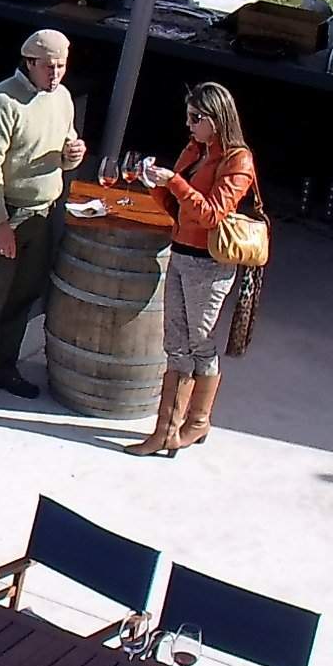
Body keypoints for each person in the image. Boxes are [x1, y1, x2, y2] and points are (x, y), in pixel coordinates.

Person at [0, 29, 86, 422]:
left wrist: (72, 155)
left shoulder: (62, 99)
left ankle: (4, 367)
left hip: (43, 213)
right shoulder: (0, 103)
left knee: (23, 296)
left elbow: (63, 150)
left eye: (62, 66)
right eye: (49, 66)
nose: (56, 73)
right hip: (8, 215)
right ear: (29, 62)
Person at [129, 84, 259, 456]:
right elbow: (178, 208)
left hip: (210, 262)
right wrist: (157, 184)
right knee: (175, 341)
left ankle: (193, 423)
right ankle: (169, 429)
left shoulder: (237, 161)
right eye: (187, 117)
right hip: (182, 252)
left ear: (216, 120)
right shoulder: (195, 150)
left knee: (198, 342)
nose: (189, 125)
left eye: (196, 119)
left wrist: (175, 181)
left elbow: (210, 214)